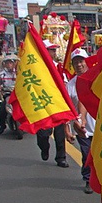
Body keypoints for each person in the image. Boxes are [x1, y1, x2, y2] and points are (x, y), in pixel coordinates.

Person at [65, 48, 95, 194]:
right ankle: (88, 179)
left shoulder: (98, 80)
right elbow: (67, 110)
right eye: (75, 62)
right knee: (87, 154)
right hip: (83, 129)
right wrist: (67, 130)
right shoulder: (70, 86)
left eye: (81, 61)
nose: (79, 65)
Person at [36, 40, 68, 168]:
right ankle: (44, 147)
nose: (54, 53)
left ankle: (61, 158)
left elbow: (64, 83)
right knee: (43, 133)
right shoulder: (37, 67)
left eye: (55, 50)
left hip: (57, 104)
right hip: (43, 104)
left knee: (60, 133)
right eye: (52, 50)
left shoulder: (58, 67)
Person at [0, 54, 19, 134]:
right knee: (2, 110)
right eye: (7, 63)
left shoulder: (19, 72)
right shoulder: (2, 74)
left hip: (19, 94)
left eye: (11, 63)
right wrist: (0, 86)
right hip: (8, 94)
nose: (9, 65)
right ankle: (2, 125)